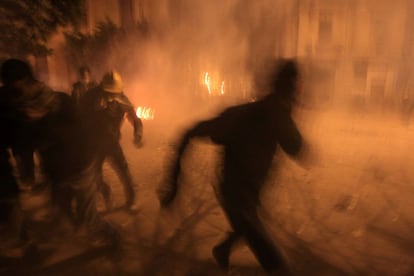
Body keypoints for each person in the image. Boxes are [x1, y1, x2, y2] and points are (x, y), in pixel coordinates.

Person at [158, 59, 310, 274]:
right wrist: (173, 182)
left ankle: (223, 249)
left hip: (249, 192)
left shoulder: (265, 113)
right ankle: (226, 249)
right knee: (277, 264)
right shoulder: (254, 116)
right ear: (290, 88)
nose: (300, 92)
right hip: (237, 197)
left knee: (247, 225)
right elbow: (298, 148)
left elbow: (295, 147)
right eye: (297, 87)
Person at [0, 58, 118, 246]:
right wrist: (29, 172)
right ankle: (74, 236)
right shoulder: (22, 113)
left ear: (27, 82)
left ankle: (113, 239)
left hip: (80, 167)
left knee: (90, 218)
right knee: (62, 215)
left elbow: (79, 134)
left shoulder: (61, 102)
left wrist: (42, 121)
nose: (17, 97)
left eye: (18, 89)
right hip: (57, 173)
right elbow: (23, 144)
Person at [80, 70, 143, 211]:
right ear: (102, 88)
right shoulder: (89, 98)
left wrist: (138, 133)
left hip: (112, 142)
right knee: (94, 176)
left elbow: (134, 118)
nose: (111, 96)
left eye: (114, 93)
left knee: (124, 172)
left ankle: (131, 200)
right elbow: (78, 118)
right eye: (109, 93)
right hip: (93, 144)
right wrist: (94, 111)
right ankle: (105, 191)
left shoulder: (122, 99)